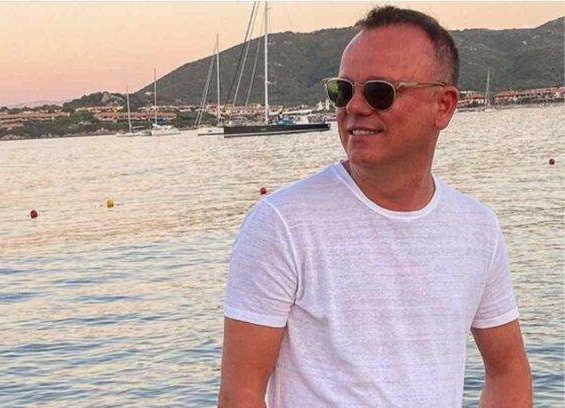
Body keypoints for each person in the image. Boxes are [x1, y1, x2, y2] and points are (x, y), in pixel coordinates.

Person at [218, 6, 532, 407]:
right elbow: (240, 394)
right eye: (343, 90)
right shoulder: (282, 224)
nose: (355, 106)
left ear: (443, 106)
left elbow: (507, 369)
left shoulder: (477, 228)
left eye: (380, 92)